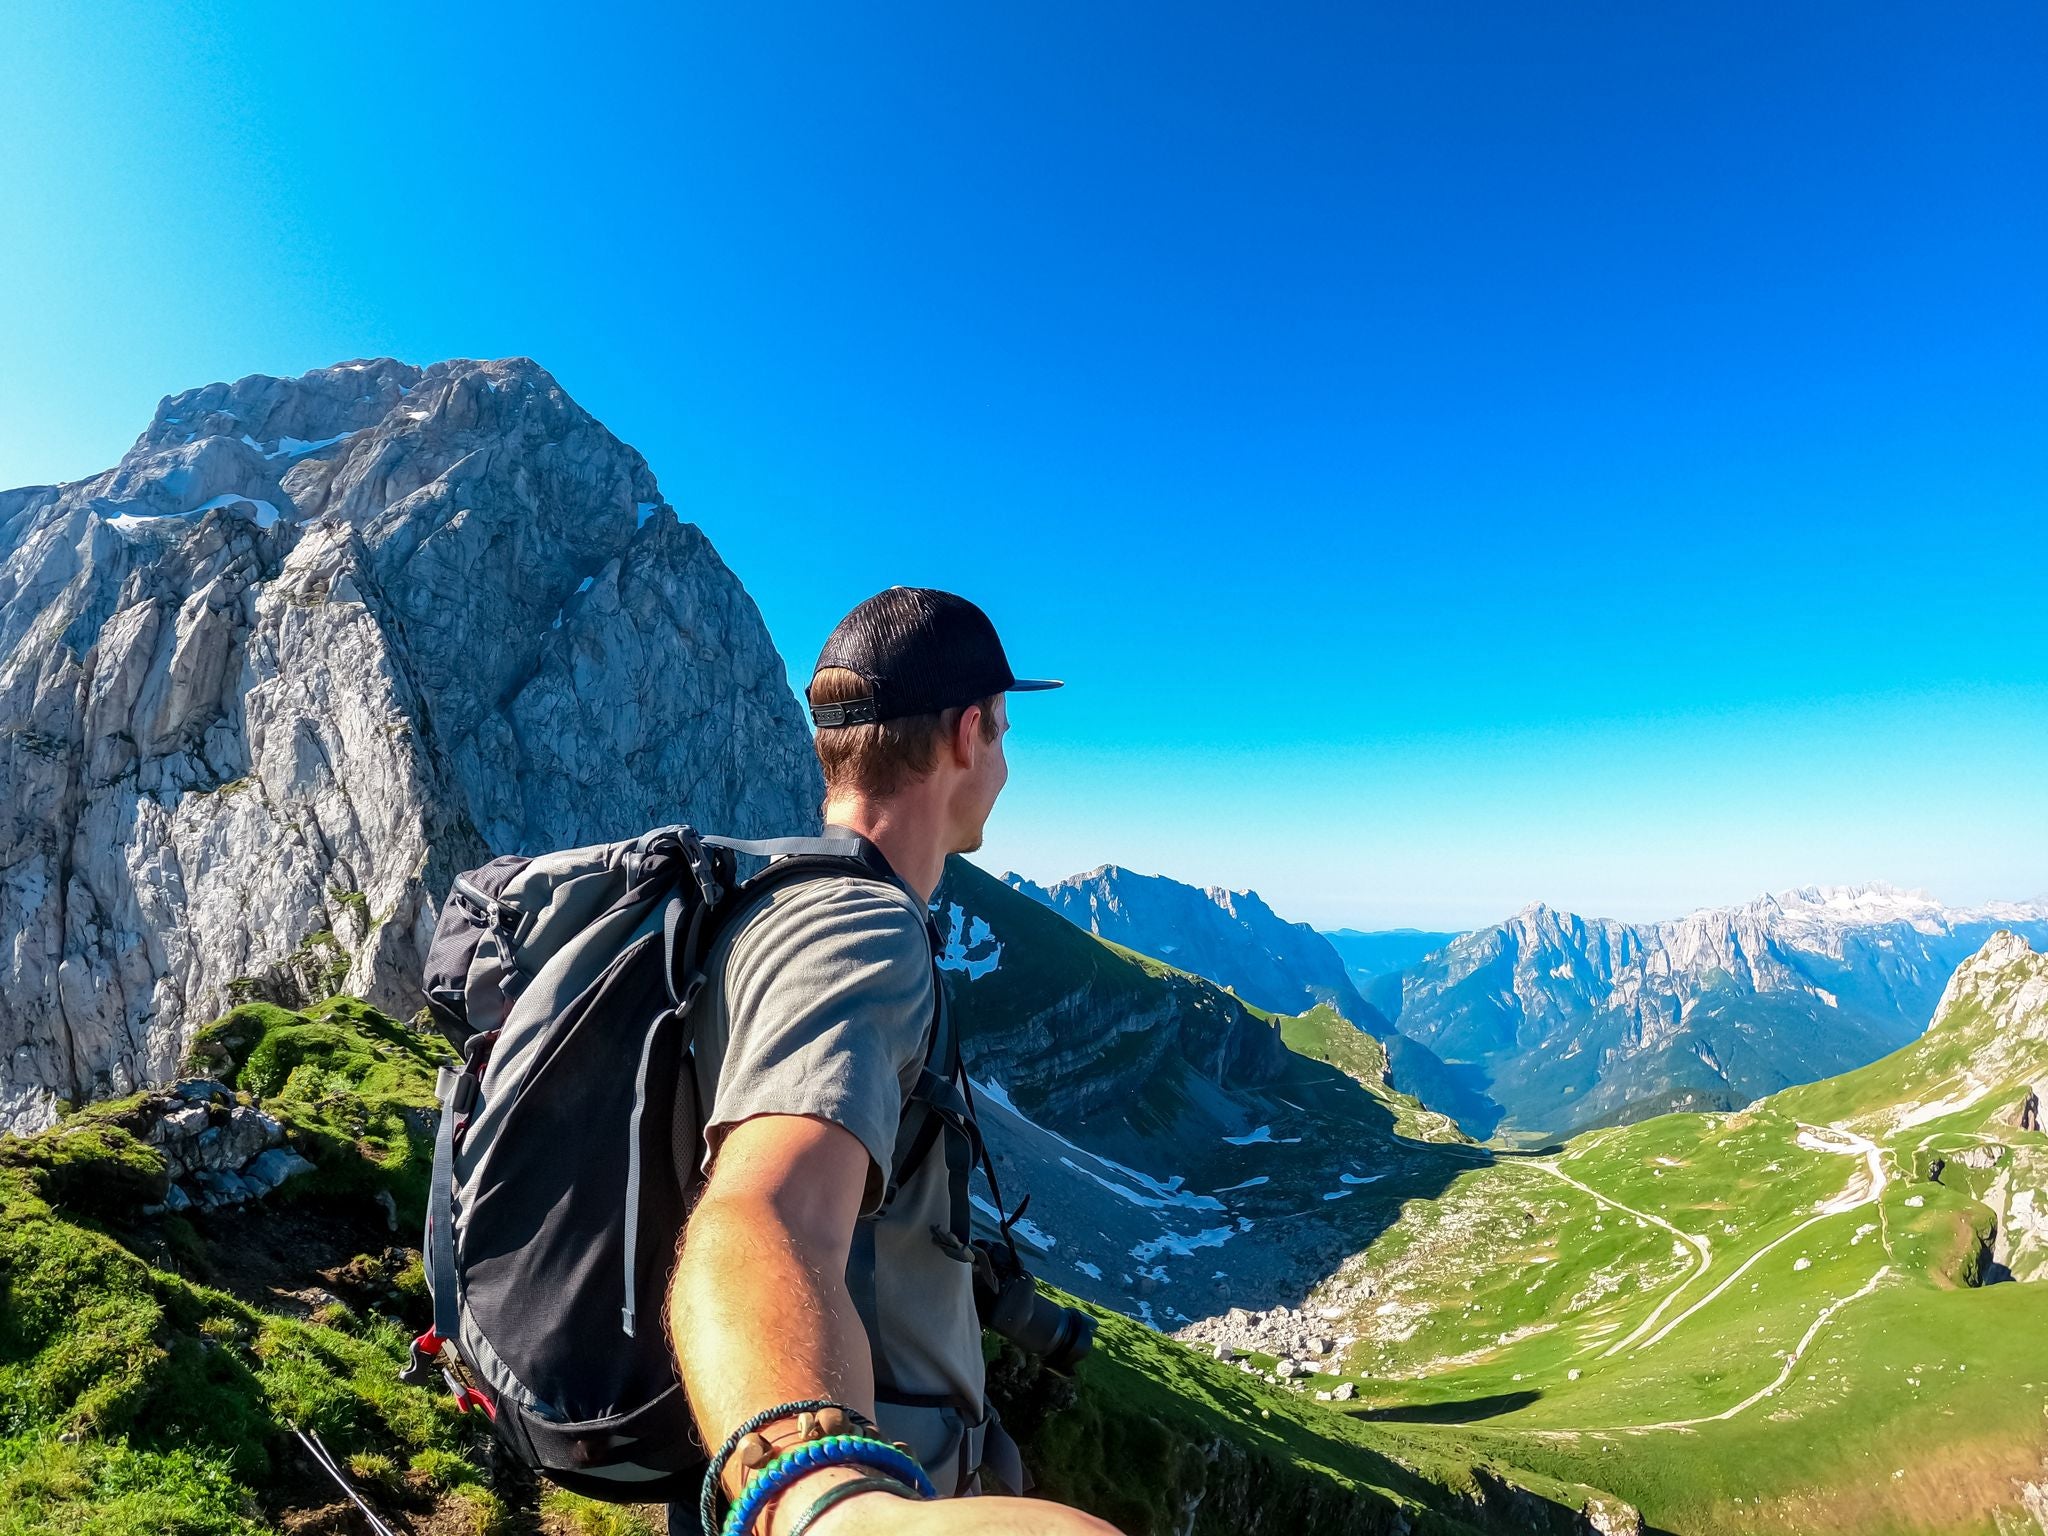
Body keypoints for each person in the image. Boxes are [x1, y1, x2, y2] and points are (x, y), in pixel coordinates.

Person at [666, 588, 1121, 1536]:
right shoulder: (860, 932)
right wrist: (826, 1503)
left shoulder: (784, 899)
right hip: (875, 1486)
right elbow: (761, 1212)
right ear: (968, 735)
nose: (1005, 761)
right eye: (1002, 730)